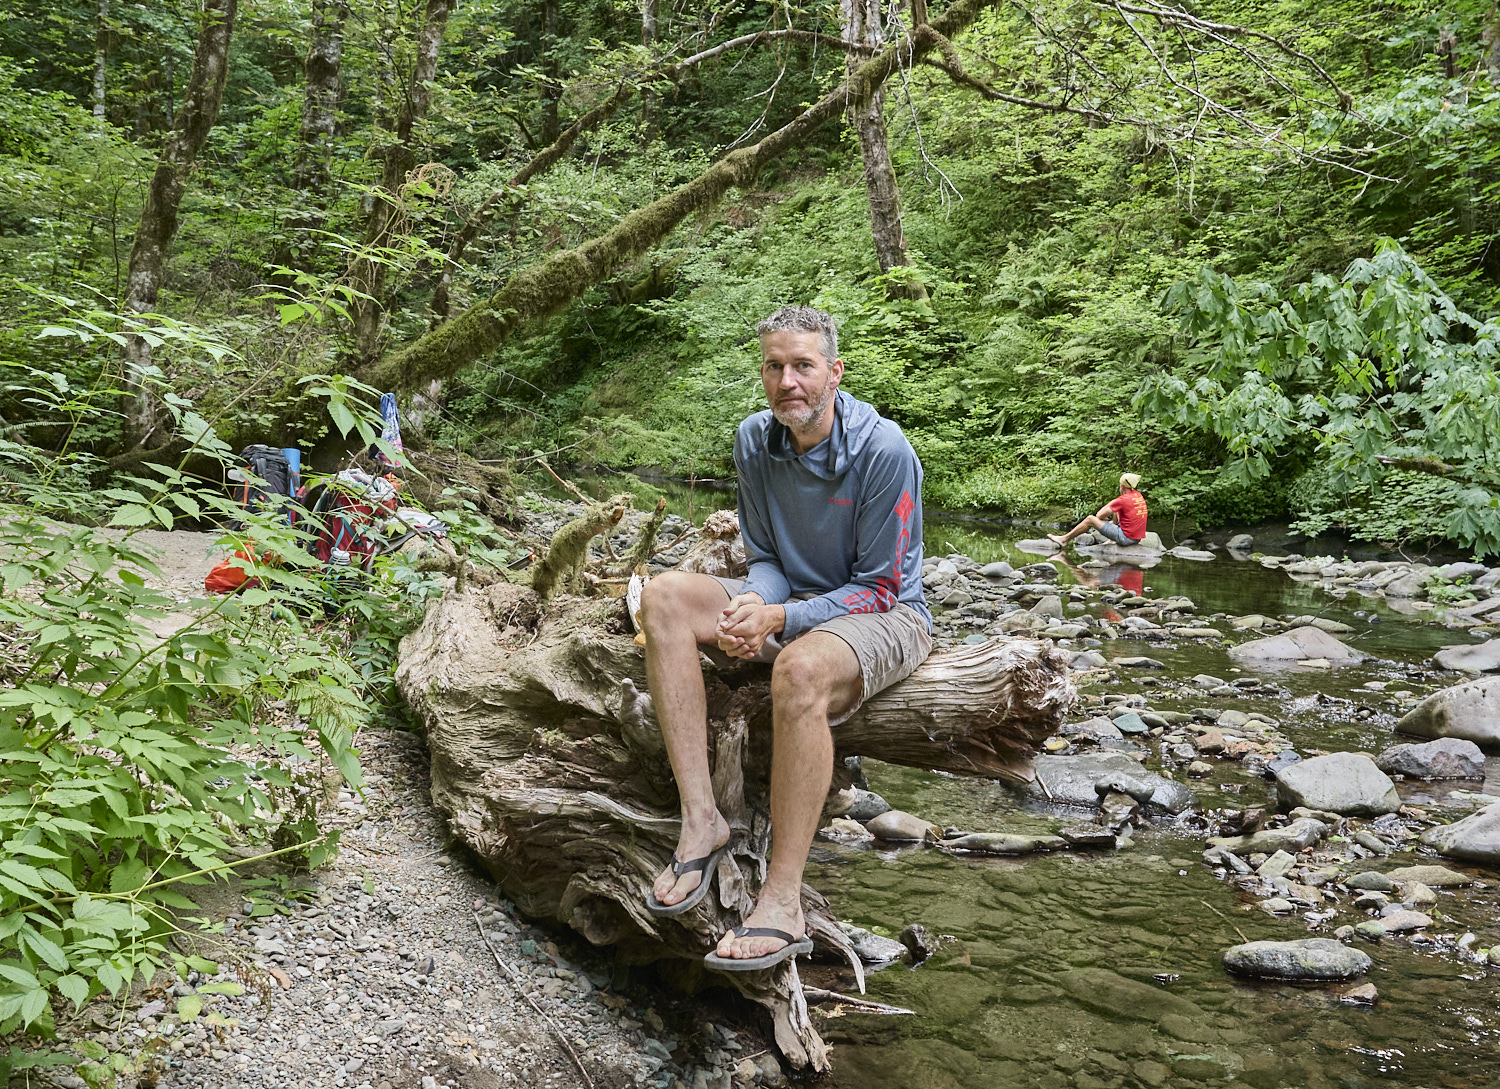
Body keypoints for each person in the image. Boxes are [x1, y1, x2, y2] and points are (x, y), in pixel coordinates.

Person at [638, 305, 933, 971]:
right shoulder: (753, 441)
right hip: (796, 603)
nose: (787, 380)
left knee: (796, 671)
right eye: (775, 366)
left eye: (803, 365)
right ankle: (702, 819)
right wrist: (753, 603)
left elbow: (881, 585)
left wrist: (783, 622)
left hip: (888, 616)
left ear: (835, 372)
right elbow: (767, 558)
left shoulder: (883, 450)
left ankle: (782, 900)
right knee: (662, 597)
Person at [1048, 473, 1148, 551]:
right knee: (1116, 510)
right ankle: (1112, 540)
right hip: (1136, 538)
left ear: (1122, 487)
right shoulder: (1138, 496)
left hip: (1126, 539)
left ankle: (1064, 539)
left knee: (1090, 519)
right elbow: (1117, 510)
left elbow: (1099, 515)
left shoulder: (1122, 500)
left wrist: (1107, 511)